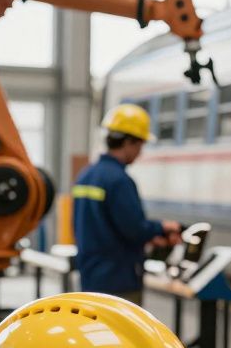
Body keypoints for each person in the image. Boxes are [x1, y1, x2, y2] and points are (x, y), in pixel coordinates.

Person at [71, 103, 181, 306]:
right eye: (140, 145)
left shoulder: (86, 175)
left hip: (90, 274)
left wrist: (150, 237)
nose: (140, 152)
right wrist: (162, 227)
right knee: (122, 334)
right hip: (119, 280)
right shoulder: (119, 180)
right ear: (129, 142)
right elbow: (134, 229)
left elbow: (96, 226)